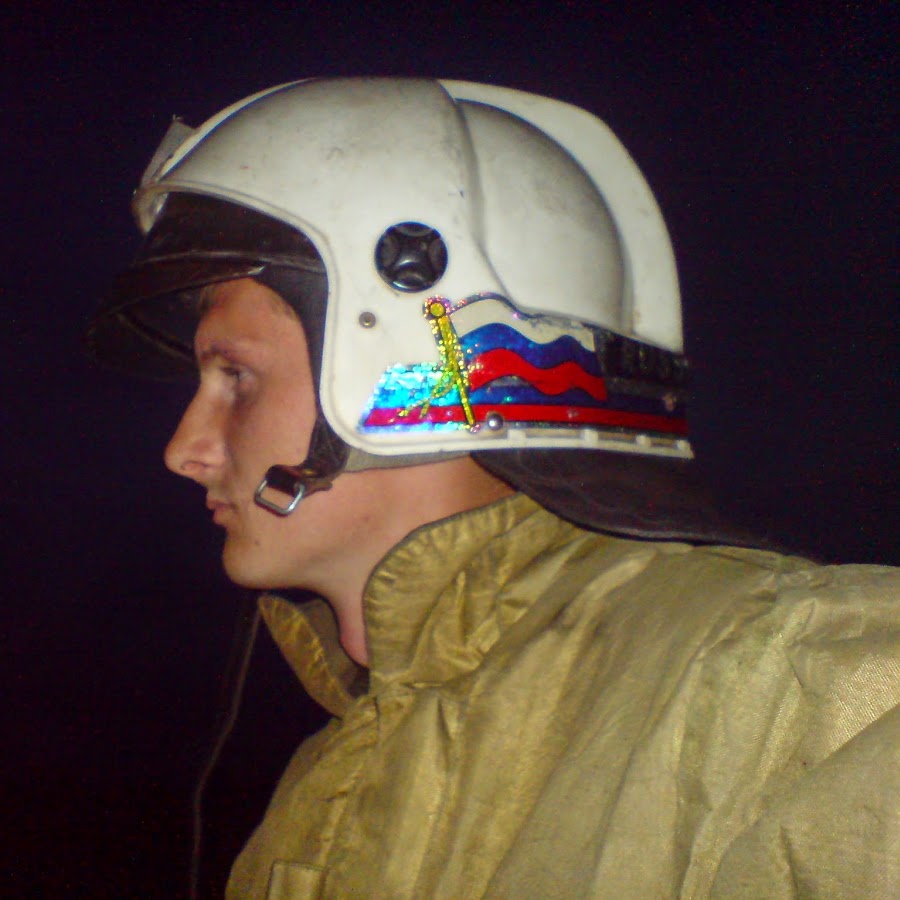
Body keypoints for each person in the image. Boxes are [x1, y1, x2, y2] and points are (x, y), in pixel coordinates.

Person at [88, 78, 899, 899]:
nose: (184, 451)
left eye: (236, 376)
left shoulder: (772, 684)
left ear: (397, 359)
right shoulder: (327, 770)